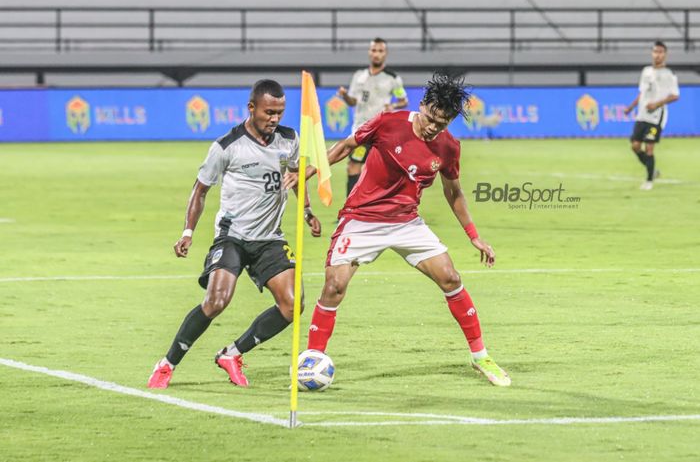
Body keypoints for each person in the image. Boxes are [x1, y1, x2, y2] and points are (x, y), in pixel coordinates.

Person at [305, 73, 511, 387]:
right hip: (361, 219)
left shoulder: (448, 147)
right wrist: (307, 173)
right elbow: (346, 147)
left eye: (441, 124)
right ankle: (311, 361)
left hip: (406, 222)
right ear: (423, 105)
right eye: (430, 119)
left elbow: (453, 192)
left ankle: (480, 356)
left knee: (451, 277)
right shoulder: (388, 123)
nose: (433, 128)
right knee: (334, 286)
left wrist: (474, 236)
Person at [148, 79, 321, 389]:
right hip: (233, 237)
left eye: (280, 112)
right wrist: (188, 231)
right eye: (269, 112)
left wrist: (306, 211)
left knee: (293, 304)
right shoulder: (227, 146)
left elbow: (295, 177)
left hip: (270, 238)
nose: (275, 119)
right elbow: (200, 190)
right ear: (251, 108)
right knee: (216, 301)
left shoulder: (289, 139)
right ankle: (167, 363)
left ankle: (233, 354)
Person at [337, 37, 408, 197]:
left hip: (382, 131)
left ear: (385, 53)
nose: (376, 54)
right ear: (369, 52)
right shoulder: (359, 76)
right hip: (361, 130)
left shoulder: (393, 79)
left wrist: (394, 106)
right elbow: (352, 101)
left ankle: (382, 209)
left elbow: (403, 100)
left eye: (380, 51)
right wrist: (345, 96)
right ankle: (351, 209)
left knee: (382, 171)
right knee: (353, 166)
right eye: (374, 50)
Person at [624, 41, 680, 191]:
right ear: (652, 53)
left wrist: (657, 104)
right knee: (635, 146)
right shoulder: (646, 71)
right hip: (642, 115)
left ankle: (649, 181)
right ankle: (653, 171)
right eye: (655, 51)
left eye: (661, 52)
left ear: (665, 54)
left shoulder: (669, 74)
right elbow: (642, 93)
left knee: (649, 147)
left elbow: (675, 96)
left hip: (656, 117)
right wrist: (631, 107)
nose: (657, 54)